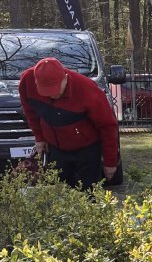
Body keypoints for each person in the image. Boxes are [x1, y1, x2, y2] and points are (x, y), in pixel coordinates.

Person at [19, 57, 119, 189]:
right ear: (36, 81)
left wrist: (110, 162)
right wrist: (39, 138)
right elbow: (30, 112)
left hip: (87, 148)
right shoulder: (26, 82)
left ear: (65, 78)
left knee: (89, 191)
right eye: (46, 91)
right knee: (60, 191)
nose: (51, 95)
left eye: (55, 90)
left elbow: (108, 126)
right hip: (55, 147)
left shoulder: (87, 90)